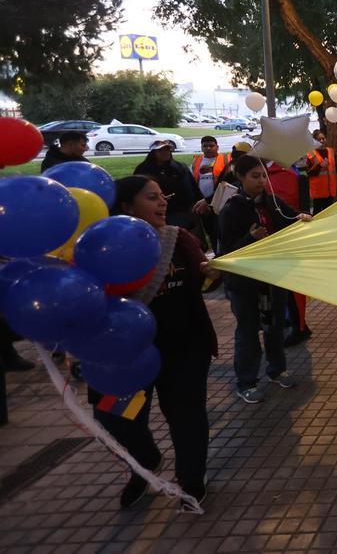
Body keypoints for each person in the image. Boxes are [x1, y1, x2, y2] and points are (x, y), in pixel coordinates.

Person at [98, 175, 219, 510]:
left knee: (186, 414)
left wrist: (212, 273)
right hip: (127, 353)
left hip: (184, 345)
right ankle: (144, 462)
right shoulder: (103, 246)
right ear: (126, 206)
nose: (162, 202)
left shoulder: (178, 239)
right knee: (116, 418)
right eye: (151, 198)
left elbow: (202, 275)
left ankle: (191, 479)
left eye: (162, 196)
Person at [218, 155, 311, 404]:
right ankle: (246, 382)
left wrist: (301, 219)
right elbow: (226, 251)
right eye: (255, 176)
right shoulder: (233, 208)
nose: (261, 181)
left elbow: (289, 218)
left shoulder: (270, 201)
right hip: (245, 283)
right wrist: (250, 239)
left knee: (275, 327)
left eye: (263, 176)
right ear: (240, 178)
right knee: (248, 332)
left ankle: (277, 370)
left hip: (272, 277)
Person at [134, 141, 204, 230]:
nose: (165, 152)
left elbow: (193, 186)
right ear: (153, 153)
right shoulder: (144, 170)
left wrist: (200, 201)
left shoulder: (180, 167)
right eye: (160, 150)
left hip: (186, 210)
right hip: (160, 212)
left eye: (167, 149)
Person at [305, 130, 337, 213]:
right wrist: (320, 166)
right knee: (317, 213)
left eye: (323, 138)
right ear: (314, 141)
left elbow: (335, 168)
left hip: (330, 190)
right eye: (319, 139)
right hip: (318, 191)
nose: (322, 141)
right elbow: (308, 173)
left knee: (329, 213)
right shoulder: (310, 153)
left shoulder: (330, 151)